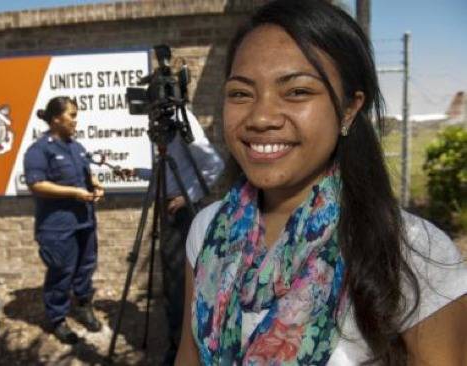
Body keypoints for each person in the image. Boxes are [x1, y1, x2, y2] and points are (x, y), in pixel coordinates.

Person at [175, 1, 467, 365]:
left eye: (297, 91)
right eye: (240, 93)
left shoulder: (413, 252)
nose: (261, 116)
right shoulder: (208, 232)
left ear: (349, 108)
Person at [133, 108, 225, 365]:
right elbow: (171, 172)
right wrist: (137, 173)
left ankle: (183, 349)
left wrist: (188, 196)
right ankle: (178, 342)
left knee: (180, 285)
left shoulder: (181, 120)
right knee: (173, 284)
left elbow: (215, 164)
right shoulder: (164, 127)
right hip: (168, 206)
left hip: (182, 211)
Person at [24, 96, 104, 344]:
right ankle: (57, 319)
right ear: (56, 118)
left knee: (85, 268)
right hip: (57, 227)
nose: (75, 121)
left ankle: (82, 307)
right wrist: (74, 193)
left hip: (84, 222)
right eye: (72, 115)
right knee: (61, 272)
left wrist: (96, 186)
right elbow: (36, 184)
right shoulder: (39, 150)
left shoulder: (76, 147)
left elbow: (87, 174)